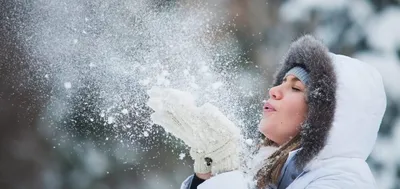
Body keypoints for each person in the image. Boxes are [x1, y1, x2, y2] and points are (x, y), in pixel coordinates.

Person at [147, 35, 387, 189]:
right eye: (281, 81)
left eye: (295, 87)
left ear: (323, 117)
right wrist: (207, 177)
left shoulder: (344, 182)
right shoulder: (273, 174)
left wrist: (227, 173)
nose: (274, 90)